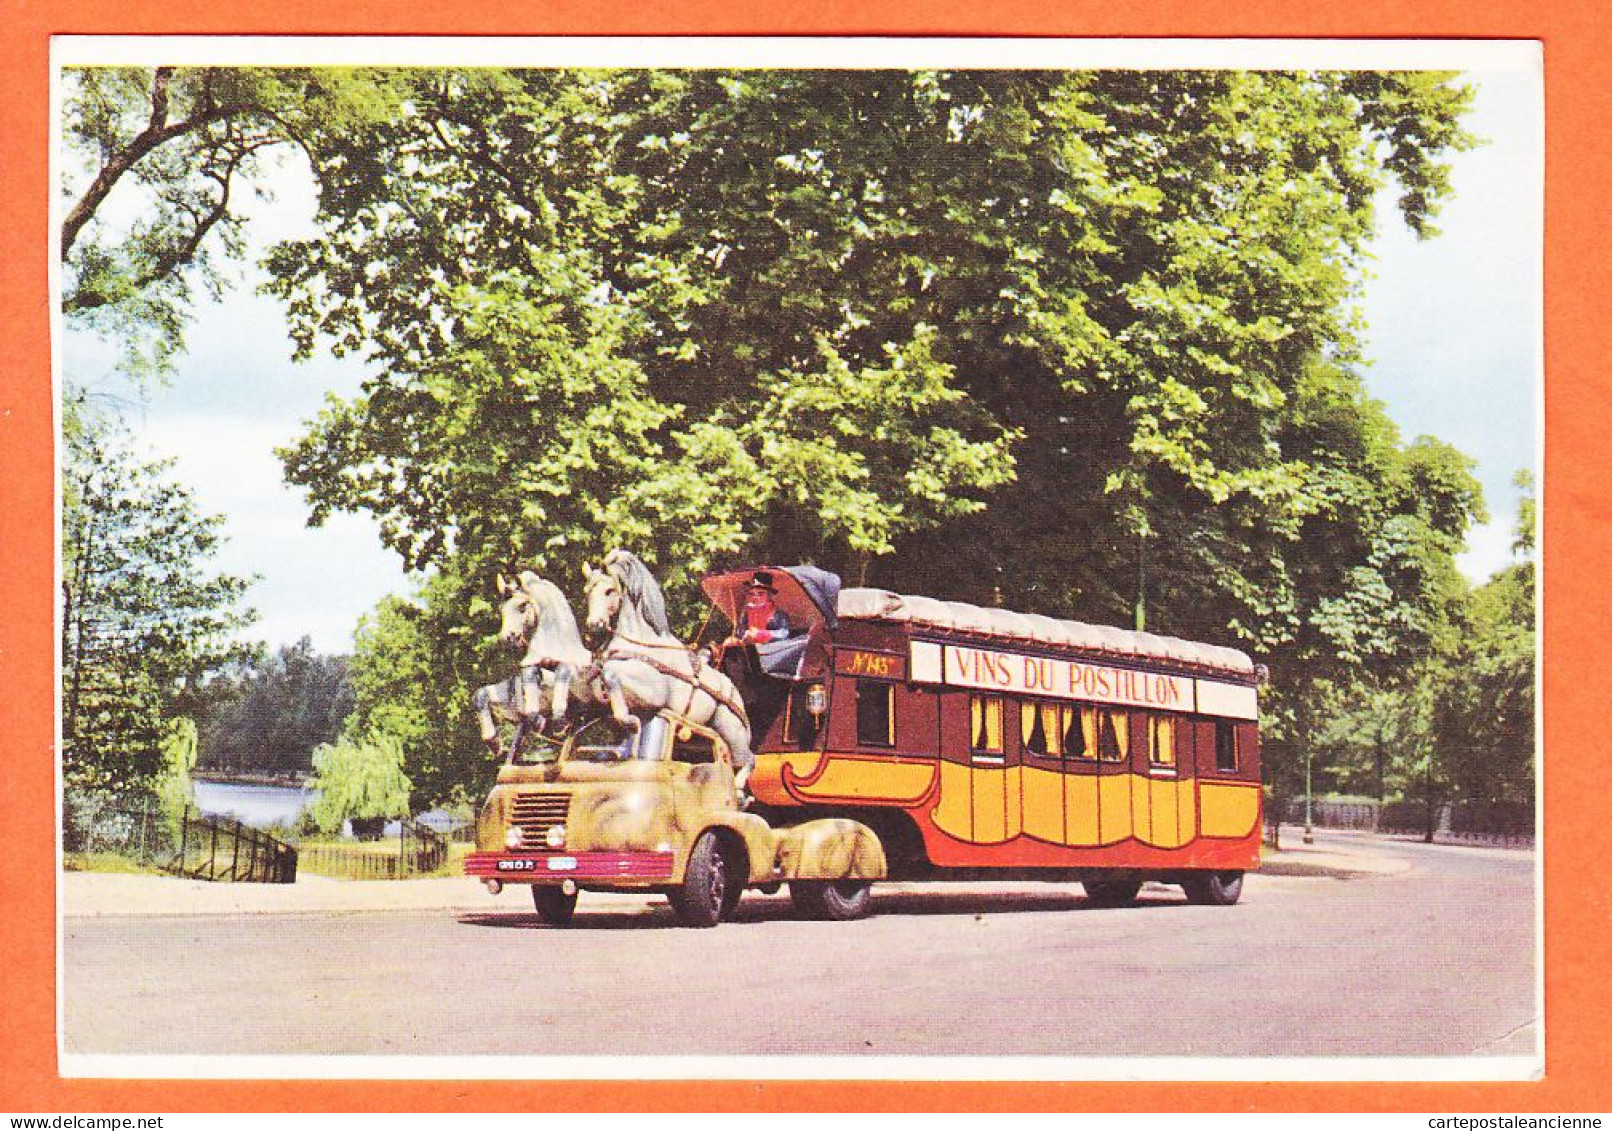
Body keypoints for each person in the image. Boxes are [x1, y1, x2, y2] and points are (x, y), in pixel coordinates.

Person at [738, 571, 791, 645]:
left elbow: (784, 633)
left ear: (769, 595)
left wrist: (761, 634)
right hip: (752, 649)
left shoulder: (778, 614)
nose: (756, 597)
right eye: (752, 594)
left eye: (760, 594)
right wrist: (746, 633)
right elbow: (740, 631)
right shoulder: (747, 612)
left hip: (772, 650)